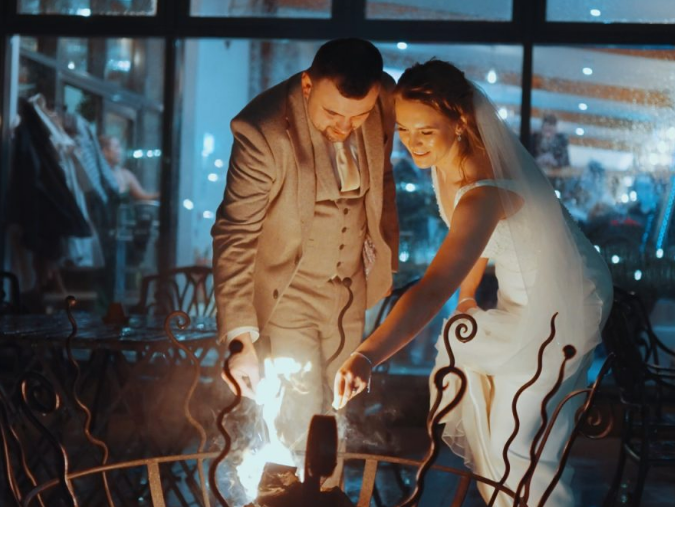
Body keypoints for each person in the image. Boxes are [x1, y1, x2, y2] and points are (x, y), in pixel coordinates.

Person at [333, 60, 611, 548]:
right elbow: (478, 251)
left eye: (426, 130)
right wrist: (467, 300)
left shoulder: (486, 187)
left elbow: (434, 284)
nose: (413, 142)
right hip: (519, 296)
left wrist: (367, 354)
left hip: (564, 302)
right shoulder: (451, 163)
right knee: (495, 438)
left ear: (460, 122)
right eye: (403, 129)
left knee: (517, 441)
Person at [212, 38, 399, 462]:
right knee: (295, 420)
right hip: (289, 293)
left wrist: (382, 244)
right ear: (307, 85)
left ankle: (330, 509)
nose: (345, 126)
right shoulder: (261, 131)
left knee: (337, 419)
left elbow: (384, 179)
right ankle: (291, 515)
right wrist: (241, 340)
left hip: (351, 292)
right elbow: (235, 233)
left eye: (359, 115)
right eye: (333, 113)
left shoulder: (383, 99)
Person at [100, 136, 159, 202]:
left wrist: (160, 195)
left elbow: (143, 196)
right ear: (105, 151)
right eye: (116, 147)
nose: (120, 151)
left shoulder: (125, 175)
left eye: (120, 147)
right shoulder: (99, 176)